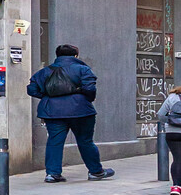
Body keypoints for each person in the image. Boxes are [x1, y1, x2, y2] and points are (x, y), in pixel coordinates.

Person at [27, 42, 116, 181]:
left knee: (54, 142)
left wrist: (50, 96)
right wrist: (84, 98)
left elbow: (31, 89)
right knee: (85, 141)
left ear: (57, 56)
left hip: (52, 112)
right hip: (80, 111)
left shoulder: (44, 71)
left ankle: (52, 174)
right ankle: (95, 171)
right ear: (76, 55)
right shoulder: (82, 69)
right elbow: (90, 89)